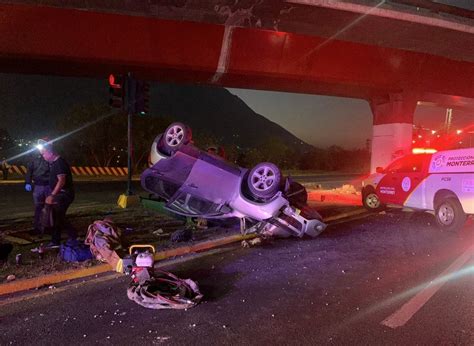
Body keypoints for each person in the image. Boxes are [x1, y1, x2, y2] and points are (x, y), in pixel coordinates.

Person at [38, 139, 76, 248]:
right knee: (57, 217)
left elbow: (61, 181)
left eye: (44, 153)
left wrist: (52, 195)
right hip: (61, 194)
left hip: (64, 195)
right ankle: (56, 241)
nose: (43, 156)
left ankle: (71, 236)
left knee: (59, 217)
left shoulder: (59, 163)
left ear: (50, 152)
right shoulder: (54, 163)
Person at [25, 148, 51, 234]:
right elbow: (29, 172)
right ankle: (37, 227)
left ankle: (48, 227)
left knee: (48, 208)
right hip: (38, 186)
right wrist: (28, 182)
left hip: (48, 186)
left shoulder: (50, 159)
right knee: (38, 208)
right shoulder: (33, 160)